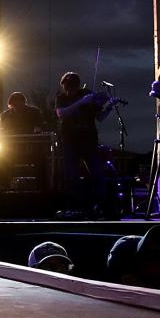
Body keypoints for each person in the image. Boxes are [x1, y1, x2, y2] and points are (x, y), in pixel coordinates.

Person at [54, 71, 117, 218]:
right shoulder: (62, 98)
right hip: (70, 140)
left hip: (89, 141)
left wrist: (109, 107)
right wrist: (81, 102)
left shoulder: (88, 96)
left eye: (72, 87)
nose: (69, 90)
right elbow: (61, 114)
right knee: (72, 174)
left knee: (97, 174)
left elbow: (100, 117)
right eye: (67, 87)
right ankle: (75, 206)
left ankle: (100, 206)